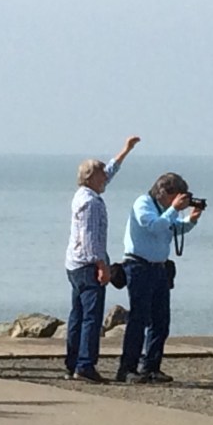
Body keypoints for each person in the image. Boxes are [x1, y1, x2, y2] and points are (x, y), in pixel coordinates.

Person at [64, 135, 141, 383]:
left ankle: (73, 362)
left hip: (74, 264)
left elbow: (109, 171)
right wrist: (101, 265)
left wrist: (125, 151)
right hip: (87, 265)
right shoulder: (91, 203)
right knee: (90, 316)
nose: (104, 178)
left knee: (77, 314)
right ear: (90, 178)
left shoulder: (82, 194)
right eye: (100, 176)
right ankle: (84, 365)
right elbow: (90, 237)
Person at [116, 172, 203, 383]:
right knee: (138, 319)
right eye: (176, 195)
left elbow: (171, 228)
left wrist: (191, 220)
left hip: (159, 268)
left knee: (160, 320)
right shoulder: (143, 203)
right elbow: (154, 226)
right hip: (138, 266)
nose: (178, 200)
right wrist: (174, 209)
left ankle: (151, 367)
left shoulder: (165, 210)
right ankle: (127, 369)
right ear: (163, 192)